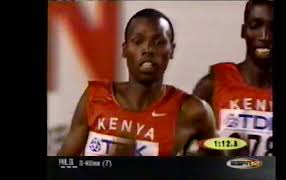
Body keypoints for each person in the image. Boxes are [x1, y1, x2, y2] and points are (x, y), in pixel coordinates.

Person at [57, 8, 218, 156]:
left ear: (172, 50)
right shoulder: (94, 98)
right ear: (125, 50)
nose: (147, 49)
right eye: (138, 41)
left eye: (159, 42)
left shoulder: (193, 111)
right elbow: (61, 168)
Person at [193, 0, 273, 156]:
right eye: (256, 25)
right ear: (244, 31)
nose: (264, 36)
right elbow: (186, 153)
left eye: (273, 28)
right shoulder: (212, 85)